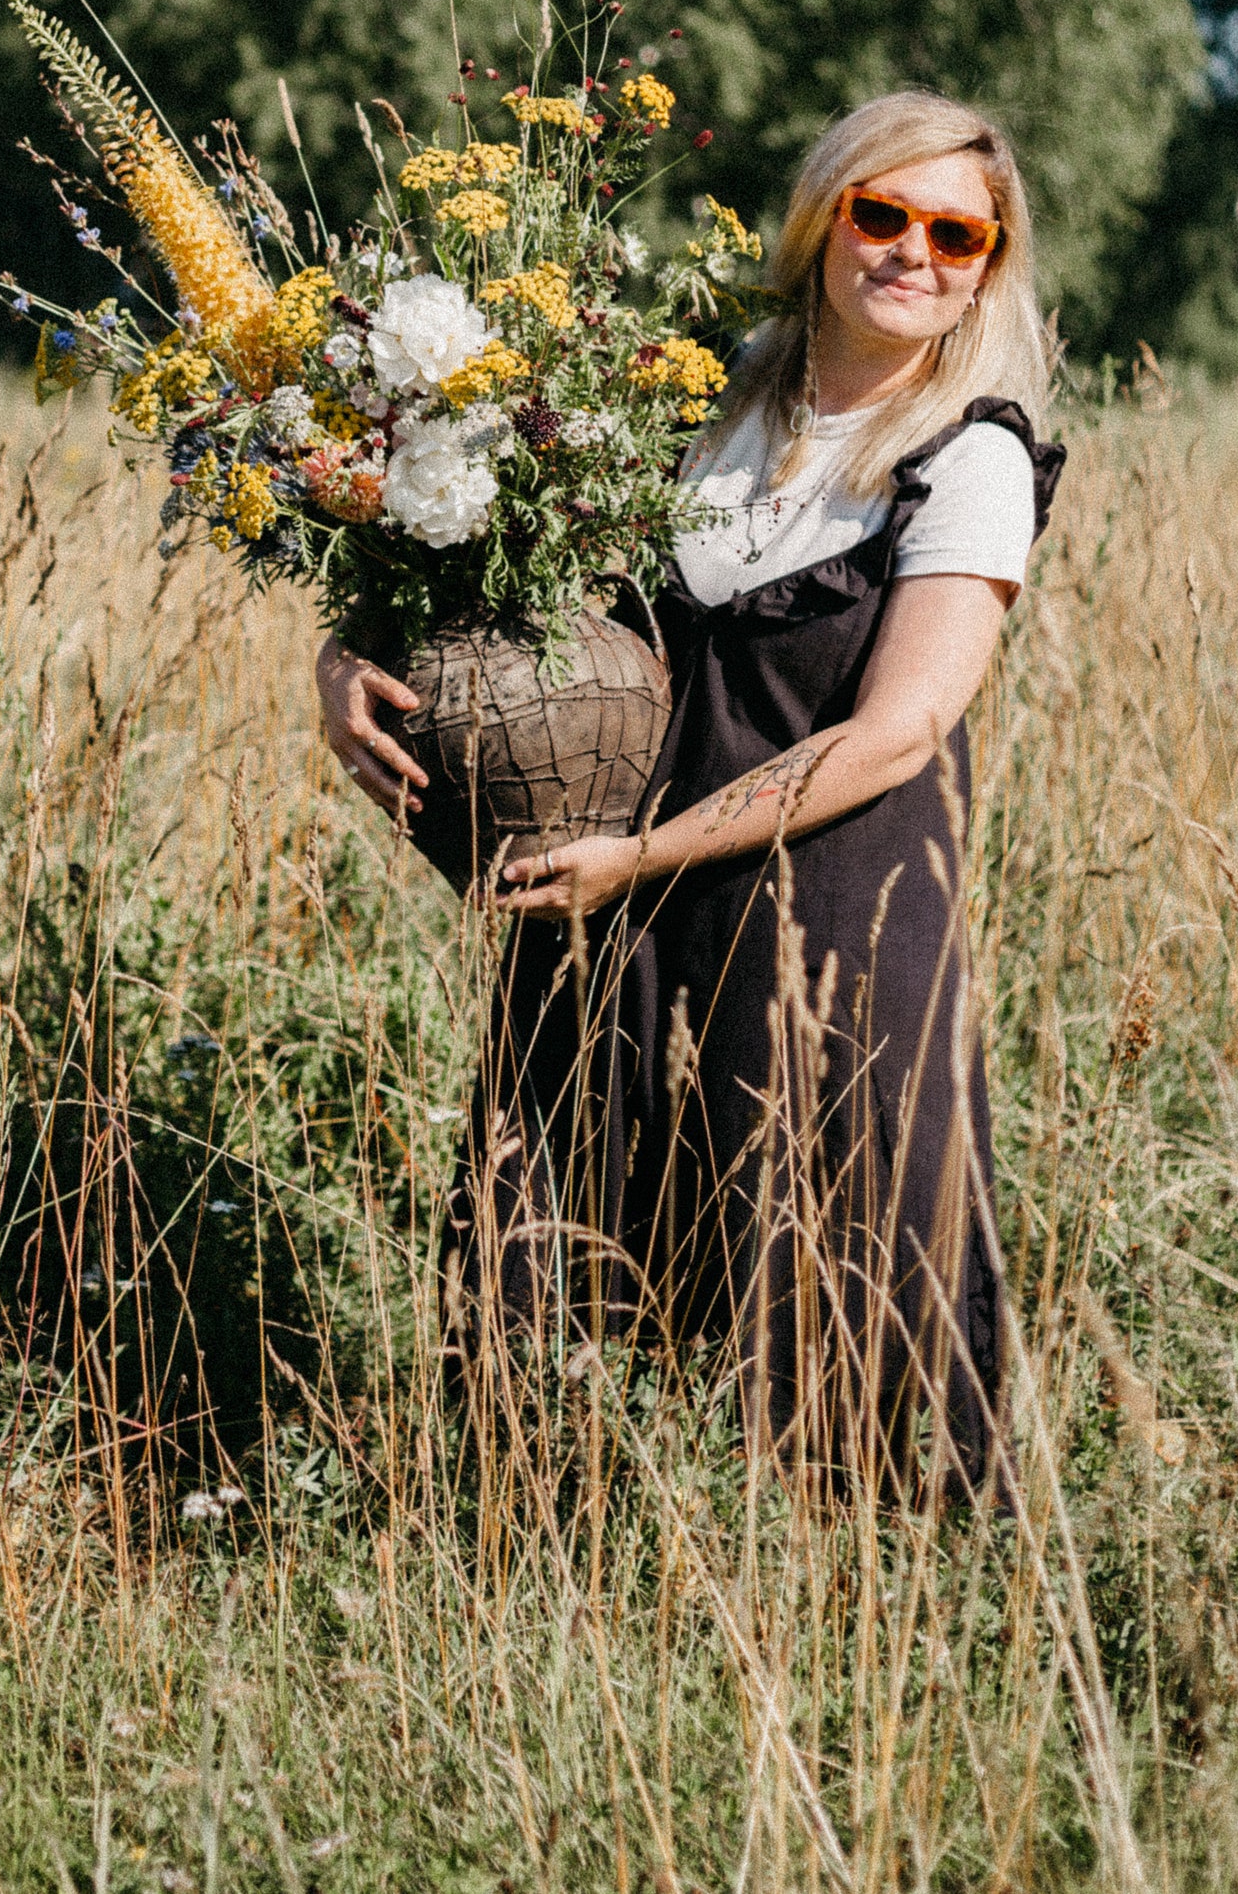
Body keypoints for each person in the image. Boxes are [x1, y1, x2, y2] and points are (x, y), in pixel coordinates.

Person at [315, 91, 1064, 1495]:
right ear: (822, 217)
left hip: (830, 913)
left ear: (986, 262)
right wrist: (345, 649)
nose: (911, 253)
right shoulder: (702, 394)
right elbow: (506, 565)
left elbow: (895, 734)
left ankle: (860, 1596)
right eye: (880, 213)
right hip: (607, 895)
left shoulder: (969, 457)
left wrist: (643, 852)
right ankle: (542, 1540)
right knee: (563, 1219)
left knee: (830, 1253)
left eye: (953, 233)